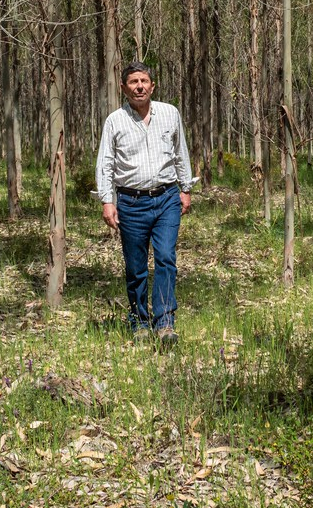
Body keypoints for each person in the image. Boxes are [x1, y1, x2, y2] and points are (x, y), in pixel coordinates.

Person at [96, 61, 194, 346]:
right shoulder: (115, 121)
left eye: (144, 81)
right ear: (124, 88)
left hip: (166, 198)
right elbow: (106, 164)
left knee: (166, 257)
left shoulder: (169, 114)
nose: (139, 86)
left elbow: (180, 153)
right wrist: (107, 201)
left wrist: (185, 188)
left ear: (153, 85)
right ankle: (139, 321)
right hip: (130, 201)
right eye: (133, 82)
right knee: (136, 266)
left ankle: (164, 322)